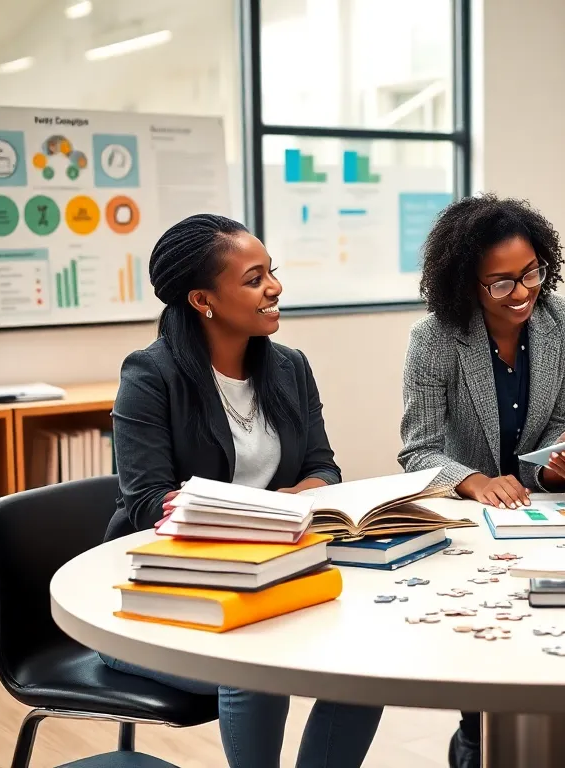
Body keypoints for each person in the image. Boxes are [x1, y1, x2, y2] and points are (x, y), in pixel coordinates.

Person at [105, 213, 384, 768]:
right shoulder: (150, 375)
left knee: (364, 665)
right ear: (203, 299)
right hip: (167, 590)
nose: (274, 287)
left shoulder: (289, 368)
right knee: (253, 674)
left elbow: (324, 470)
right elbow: (145, 504)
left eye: (271, 272)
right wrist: (260, 514)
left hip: (272, 575)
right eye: (254, 278)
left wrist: (284, 508)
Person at [397, 193, 565, 767]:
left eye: (531, 272)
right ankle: (472, 745)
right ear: (467, 284)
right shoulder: (434, 338)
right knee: (482, 680)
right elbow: (419, 451)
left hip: (543, 519)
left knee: (552, 657)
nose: (523, 292)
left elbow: (563, 420)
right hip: (467, 528)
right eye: (501, 282)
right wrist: (473, 480)